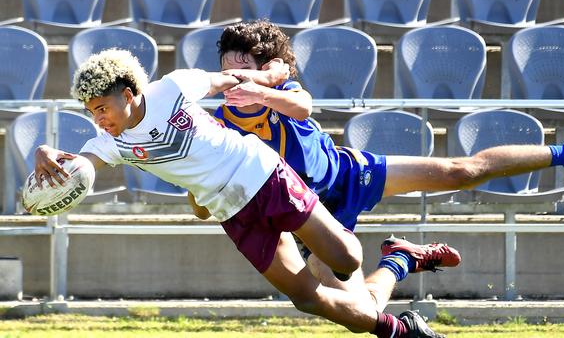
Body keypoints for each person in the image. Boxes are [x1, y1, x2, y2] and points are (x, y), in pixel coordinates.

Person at [188, 19, 564, 289]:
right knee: (351, 305)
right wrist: (196, 186)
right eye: (226, 72)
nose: (233, 82)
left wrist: (263, 86)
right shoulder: (219, 128)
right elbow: (204, 207)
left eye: (242, 70)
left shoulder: (283, 93)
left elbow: (303, 104)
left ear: (268, 70)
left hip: (349, 175)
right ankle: (402, 260)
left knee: (460, 171)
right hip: (311, 218)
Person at [33, 48, 446, 338]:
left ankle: (392, 263)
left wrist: (267, 78)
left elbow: (224, 80)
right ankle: (396, 328)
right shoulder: (109, 141)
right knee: (306, 299)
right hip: (232, 212)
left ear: (128, 94)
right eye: (90, 113)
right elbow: (83, 163)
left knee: (347, 259)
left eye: (102, 108)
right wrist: (49, 154)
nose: (98, 120)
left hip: (263, 174)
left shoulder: (170, 88)